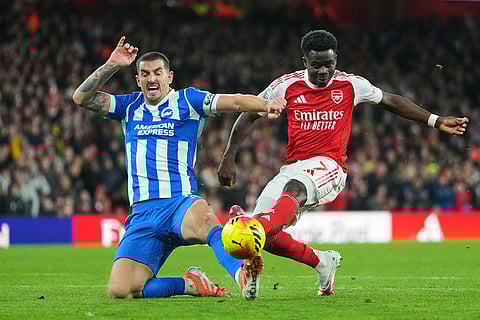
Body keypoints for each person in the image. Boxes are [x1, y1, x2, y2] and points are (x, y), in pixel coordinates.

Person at [217, 29, 469, 296]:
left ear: (336, 59)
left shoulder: (351, 85)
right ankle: (322, 262)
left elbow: (391, 101)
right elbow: (248, 114)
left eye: (329, 64)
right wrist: (228, 156)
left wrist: (436, 120)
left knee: (267, 217)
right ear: (305, 62)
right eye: (317, 66)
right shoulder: (286, 85)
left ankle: (256, 228)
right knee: (265, 236)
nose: (324, 71)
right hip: (293, 166)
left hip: (331, 166)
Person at [72, 36, 285, 299]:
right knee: (121, 290)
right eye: (145, 74)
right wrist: (112, 64)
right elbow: (81, 98)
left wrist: (267, 105)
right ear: (138, 80)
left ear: (169, 76)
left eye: (158, 73)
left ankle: (242, 274)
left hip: (179, 204)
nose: (152, 79)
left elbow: (236, 102)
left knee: (206, 220)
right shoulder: (129, 107)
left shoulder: (189, 101)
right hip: (143, 214)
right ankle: (191, 284)